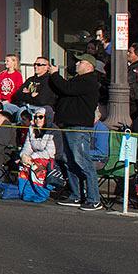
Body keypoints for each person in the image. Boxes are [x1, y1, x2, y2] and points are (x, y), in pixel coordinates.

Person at [49, 54, 106, 210]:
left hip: (79, 127)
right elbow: (62, 89)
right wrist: (53, 77)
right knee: (69, 161)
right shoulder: (77, 79)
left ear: (89, 66)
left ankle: (94, 198)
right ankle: (76, 195)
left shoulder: (89, 81)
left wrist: (55, 74)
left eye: (80, 62)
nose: (77, 64)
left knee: (83, 161)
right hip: (68, 125)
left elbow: (67, 88)